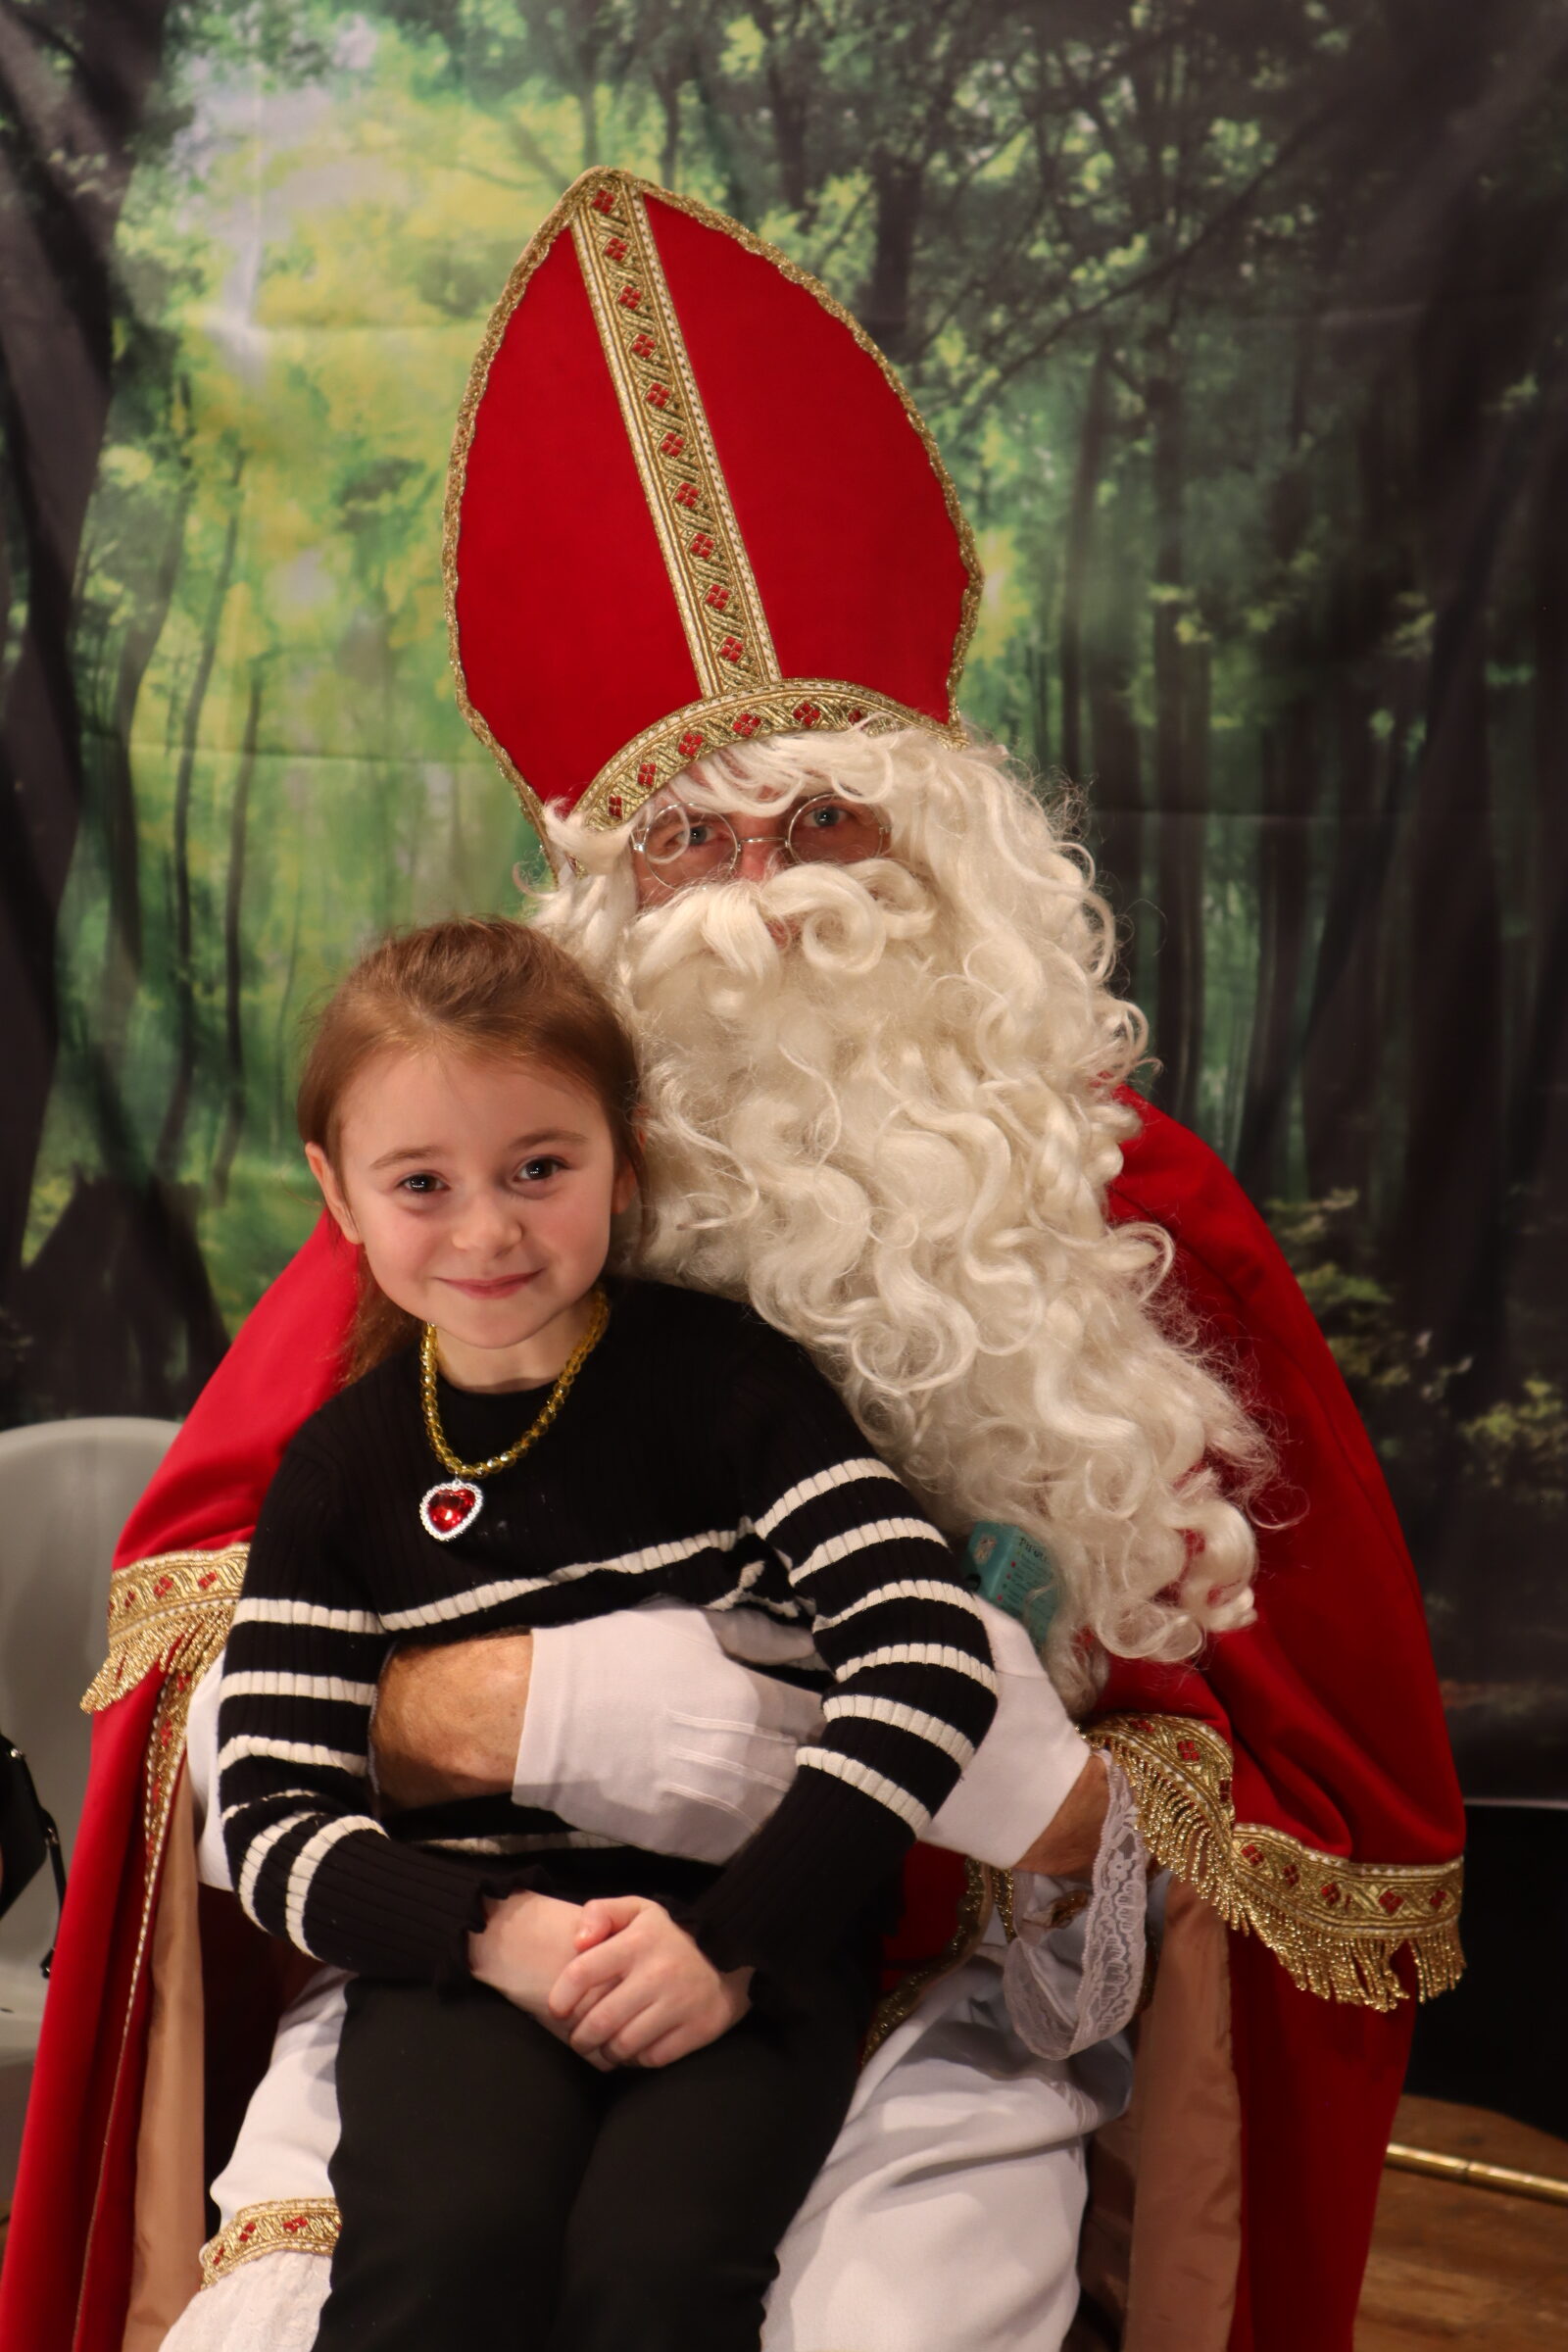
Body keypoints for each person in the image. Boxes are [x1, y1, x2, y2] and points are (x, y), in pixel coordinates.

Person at [1, 167, 1464, 2352]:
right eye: (687, 836)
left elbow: (1317, 1819)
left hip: (936, 1993)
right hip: (485, 1943)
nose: (767, 896)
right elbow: (217, 1700)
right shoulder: (492, 1203)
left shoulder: (1123, 1203)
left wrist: (1027, 1794)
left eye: (823, 822)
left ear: (951, 847)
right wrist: (532, 1711)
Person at [220, 911, 1016, 2351]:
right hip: (473, 1953)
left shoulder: (727, 1388)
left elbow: (924, 1650)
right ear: (337, 1193)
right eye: (422, 1183)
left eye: (540, 1168)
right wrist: (495, 1935)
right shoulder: (338, 1474)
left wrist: (734, 1941)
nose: (487, 1230)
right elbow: (273, 1815)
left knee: (655, 2277)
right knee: (446, 2255)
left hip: (744, 1943)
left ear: (623, 1158)